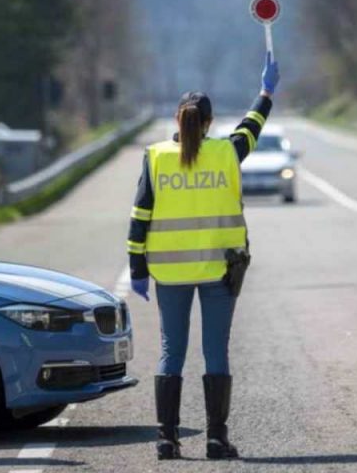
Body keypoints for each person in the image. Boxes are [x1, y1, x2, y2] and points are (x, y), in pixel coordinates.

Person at [127, 52, 279, 460]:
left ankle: (166, 440)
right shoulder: (227, 152)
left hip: (169, 274)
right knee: (216, 351)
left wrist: (137, 269)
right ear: (209, 123)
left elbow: (139, 216)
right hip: (218, 271)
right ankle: (216, 439)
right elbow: (253, 125)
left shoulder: (156, 157)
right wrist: (265, 92)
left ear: (178, 120)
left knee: (169, 352)